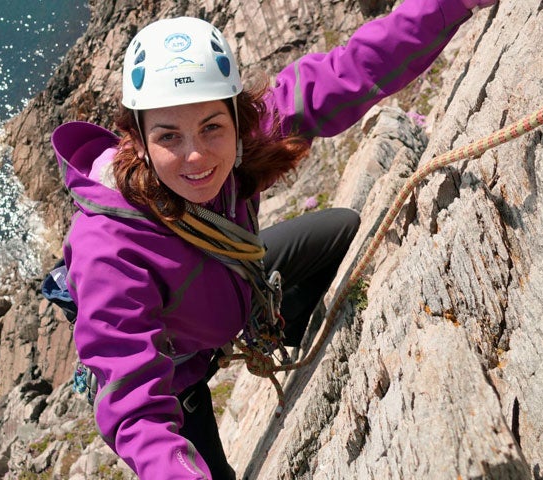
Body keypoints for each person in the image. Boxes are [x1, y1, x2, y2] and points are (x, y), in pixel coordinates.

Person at [52, 0, 496, 477]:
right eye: (168, 137)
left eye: (211, 128)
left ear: (238, 123)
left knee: (341, 229)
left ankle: (280, 329)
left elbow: (347, 71)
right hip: (180, 371)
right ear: (137, 140)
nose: (196, 157)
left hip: (234, 280)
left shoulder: (246, 146)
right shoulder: (109, 247)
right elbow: (135, 405)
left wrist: (450, 5)